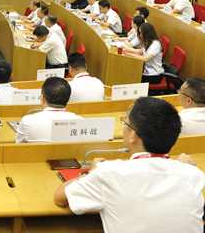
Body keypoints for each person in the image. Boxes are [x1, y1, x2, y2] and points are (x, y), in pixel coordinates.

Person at [54, 97, 205, 233]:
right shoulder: (193, 174)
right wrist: (181, 166)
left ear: (133, 135)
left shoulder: (108, 173)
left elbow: (60, 197)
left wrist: (92, 173)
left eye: (125, 123)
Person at [16, 77, 82, 143]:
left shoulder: (27, 121)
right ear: (68, 99)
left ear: (42, 98)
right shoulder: (80, 122)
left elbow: (19, 145)